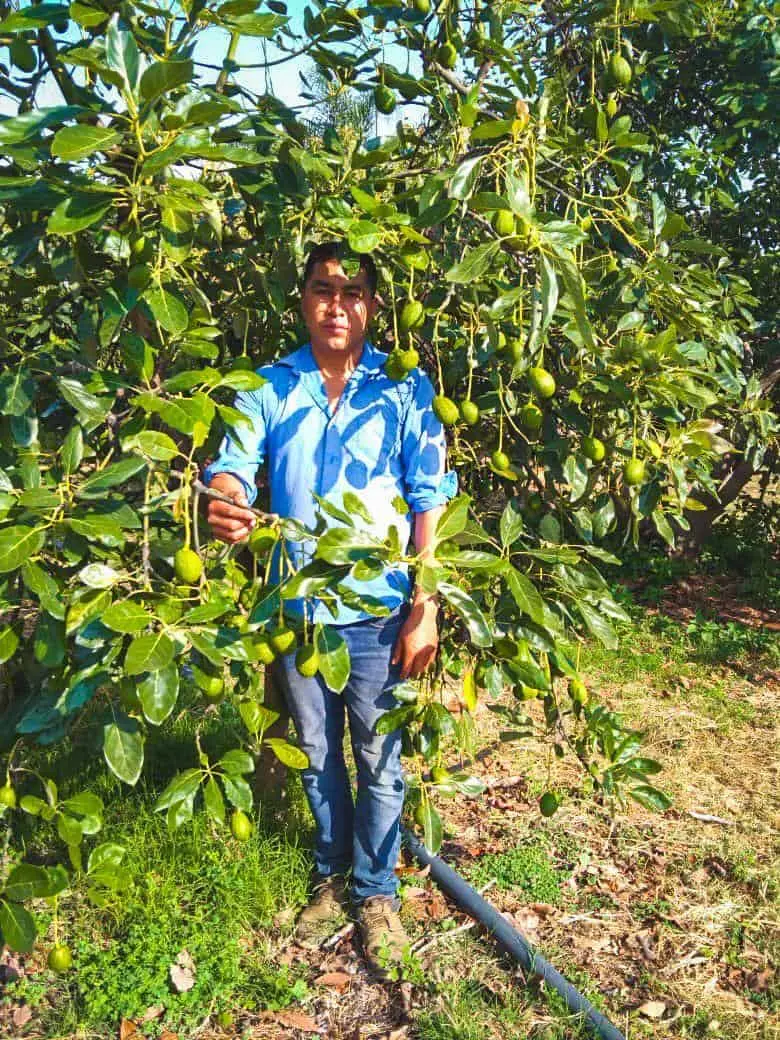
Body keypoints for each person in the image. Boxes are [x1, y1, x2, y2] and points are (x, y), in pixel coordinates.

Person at [203, 241, 456, 975]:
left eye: (352, 292)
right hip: (300, 610)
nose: (336, 305)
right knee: (317, 757)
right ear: (304, 299)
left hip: (379, 612)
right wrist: (225, 501)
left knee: (381, 759)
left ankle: (376, 894)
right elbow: (233, 465)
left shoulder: (406, 389)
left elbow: (428, 497)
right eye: (322, 289)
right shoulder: (270, 385)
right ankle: (329, 874)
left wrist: (426, 603)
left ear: (373, 305)